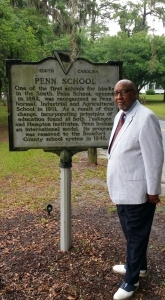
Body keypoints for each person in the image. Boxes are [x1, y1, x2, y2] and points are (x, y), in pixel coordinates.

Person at [107, 79, 164, 300]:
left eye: (124, 92)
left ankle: (131, 281)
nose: (119, 97)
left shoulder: (145, 117)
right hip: (122, 189)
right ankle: (139, 267)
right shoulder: (120, 117)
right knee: (131, 234)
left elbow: (154, 157)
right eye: (116, 93)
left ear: (135, 93)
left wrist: (153, 190)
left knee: (136, 236)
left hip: (139, 192)